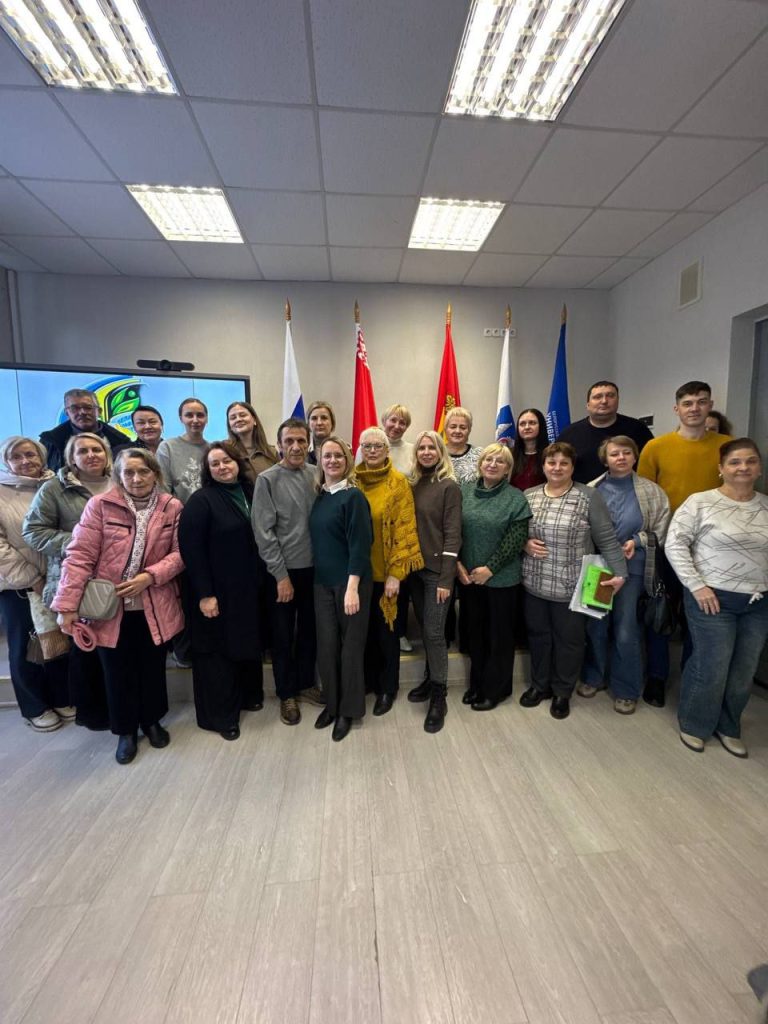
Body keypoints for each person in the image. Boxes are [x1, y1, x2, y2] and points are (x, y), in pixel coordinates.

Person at [53, 448, 184, 764]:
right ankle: (125, 730)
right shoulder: (100, 505)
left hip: (153, 603)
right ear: (119, 476)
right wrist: (67, 606)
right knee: (116, 671)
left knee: (152, 668)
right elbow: (79, 555)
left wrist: (150, 576)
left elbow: (180, 553)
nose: (137, 478)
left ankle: (151, 721)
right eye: (129, 472)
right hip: (109, 608)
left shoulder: (171, 506)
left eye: (143, 471)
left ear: (155, 473)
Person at [665, 438, 768, 757]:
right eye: (735, 462)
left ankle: (729, 725)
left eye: (750, 461)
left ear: (759, 468)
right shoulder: (700, 502)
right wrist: (696, 585)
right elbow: (675, 544)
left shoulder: (765, 506)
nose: (743, 467)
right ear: (721, 469)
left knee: (744, 668)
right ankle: (695, 723)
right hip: (711, 596)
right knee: (711, 664)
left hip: (758, 601)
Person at [637, 380, 732, 706]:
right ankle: (657, 676)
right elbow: (645, 498)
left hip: (712, 549)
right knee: (661, 610)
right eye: (688, 403)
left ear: (710, 406)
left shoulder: (727, 448)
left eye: (701, 402)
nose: (694, 408)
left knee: (702, 615)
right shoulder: (656, 447)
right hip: (666, 545)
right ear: (676, 409)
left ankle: (694, 677)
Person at [521, 442, 627, 720]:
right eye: (551, 462)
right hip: (534, 583)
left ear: (572, 467)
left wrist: (620, 573)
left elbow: (606, 538)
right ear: (543, 466)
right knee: (539, 637)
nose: (557, 468)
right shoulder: (530, 495)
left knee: (569, 641)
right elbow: (517, 531)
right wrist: (524, 543)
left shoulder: (589, 496)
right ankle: (539, 685)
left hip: (572, 585)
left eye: (563, 463)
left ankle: (562, 692)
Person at [22, 432, 113, 730]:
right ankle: (95, 715)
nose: (91, 455)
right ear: (71, 457)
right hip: (76, 579)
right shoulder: (54, 488)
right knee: (86, 651)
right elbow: (34, 531)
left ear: (107, 454)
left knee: (116, 650)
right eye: (82, 451)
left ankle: (122, 707)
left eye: (96, 449)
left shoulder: (121, 481)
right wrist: (81, 541)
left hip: (116, 580)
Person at [179, 441, 264, 741]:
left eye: (226, 461)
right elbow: (191, 551)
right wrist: (205, 594)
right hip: (215, 591)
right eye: (214, 464)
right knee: (217, 655)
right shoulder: (201, 501)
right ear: (207, 470)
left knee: (242, 645)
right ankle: (220, 717)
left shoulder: (251, 492)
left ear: (238, 463)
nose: (222, 467)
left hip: (246, 589)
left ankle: (246, 698)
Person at [579, 436, 670, 714]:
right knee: (596, 625)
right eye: (614, 454)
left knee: (626, 627)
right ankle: (594, 676)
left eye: (626, 453)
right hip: (599, 567)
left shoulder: (651, 491)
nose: (621, 457)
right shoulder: (592, 489)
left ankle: (626, 688)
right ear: (605, 459)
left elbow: (663, 528)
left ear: (635, 456)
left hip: (633, 568)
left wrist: (637, 541)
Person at [252, 417, 319, 725]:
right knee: (281, 636)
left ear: (309, 443)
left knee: (309, 632)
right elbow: (263, 532)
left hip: (314, 571)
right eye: (289, 441)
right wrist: (280, 576)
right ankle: (287, 694)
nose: (295, 446)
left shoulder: (317, 474)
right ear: (278, 445)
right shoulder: (267, 480)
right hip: (282, 573)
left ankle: (305, 683)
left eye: (301, 440)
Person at [0, 436, 70, 731]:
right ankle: (34, 706)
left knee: (59, 640)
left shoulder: (56, 485)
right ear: (7, 462)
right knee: (25, 647)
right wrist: (33, 578)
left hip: (59, 580)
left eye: (30, 454)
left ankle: (62, 696)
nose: (25, 461)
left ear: (42, 457)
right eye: (17, 457)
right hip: (19, 585)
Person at [354, 426, 423, 715]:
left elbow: (406, 530)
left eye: (377, 446)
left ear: (386, 450)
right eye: (366, 446)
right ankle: (370, 681)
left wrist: (396, 573)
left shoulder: (398, 483)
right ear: (360, 449)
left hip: (388, 575)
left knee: (387, 635)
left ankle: (387, 688)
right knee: (365, 633)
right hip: (358, 576)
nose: (372, 451)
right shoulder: (351, 481)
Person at [457, 443, 530, 711]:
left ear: (508, 469)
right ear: (480, 463)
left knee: (499, 637)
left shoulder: (515, 498)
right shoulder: (464, 492)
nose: (492, 464)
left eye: (500, 461)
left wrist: (490, 569)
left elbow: (515, 539)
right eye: (488, 459)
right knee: (475, 634)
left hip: (501, 580)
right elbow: (454, 530)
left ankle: (495, 690)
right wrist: (458, 565)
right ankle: (477, 684)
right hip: (468, 578)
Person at [309, 436, 373, 741]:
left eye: (338, 456)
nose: (332, 460)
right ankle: (332, 705)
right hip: (322, 583)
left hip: (351, 584)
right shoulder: (321, 496)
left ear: (347, 460)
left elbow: (361, 546)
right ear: (320, 462)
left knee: (350, 650)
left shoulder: (353, 497)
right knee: (327, 647)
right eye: (327, 456)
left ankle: (348, 711)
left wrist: (352, 588)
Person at [406, 430, 461, 732]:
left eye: (432, 447)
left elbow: (453, 534)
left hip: (437, 574)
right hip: (414, 571)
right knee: (426, 631)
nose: (426, 452)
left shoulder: (448, 486)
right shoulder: (412, 483)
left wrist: (446, 578)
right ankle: (430, 678)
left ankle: (440, 694)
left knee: (435, 633)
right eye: (422, 448)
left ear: (441, 452)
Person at [557, 381, 654, 484]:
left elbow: (651, 464)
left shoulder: (638, 429)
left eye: (610, 396)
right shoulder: (569, 434)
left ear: (618, 400)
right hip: (582, 492)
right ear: (588, 405)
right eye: (597, 397)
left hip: (630, 492)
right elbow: (558, 468)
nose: (604, 401)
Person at [40, 388, 128, 472]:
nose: (82, 412)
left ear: (99, 411)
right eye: (75, 408)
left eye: (88, 407)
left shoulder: (121, 442)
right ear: (67, 413)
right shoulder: (49, 442)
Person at [156, 397, 209, 504]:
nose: (195, 420)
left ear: (206, 418)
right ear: (181, 419)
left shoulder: (212, 449)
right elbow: (162, 488)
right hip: (178, 511)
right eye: (189, 415)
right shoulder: (167, 447)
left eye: (200, 415)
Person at [226, 401, 278, 482]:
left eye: (243, 415)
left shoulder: (271, 452)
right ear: (230, 426)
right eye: (233, 418)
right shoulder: (225, 451)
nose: (238, 419)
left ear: (254, 420)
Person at [510, 408, 547, 491]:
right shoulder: (510, 455)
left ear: (541, 426)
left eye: (532, 423)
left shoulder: (550, 454)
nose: (527, 427)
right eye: (522, 424)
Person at [444, 406, 484, 483]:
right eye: (453, 427)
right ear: (445, 429)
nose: (457, 431)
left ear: (469, 430)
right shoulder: (436, 454)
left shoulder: (480, 454)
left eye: (463, 427)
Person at [306, 400, 336, 466]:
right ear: (308, 424)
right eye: (314, 418)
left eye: (324, 418)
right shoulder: (302, 451)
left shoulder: (343, 450)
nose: (319, 423)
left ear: (332, 423)